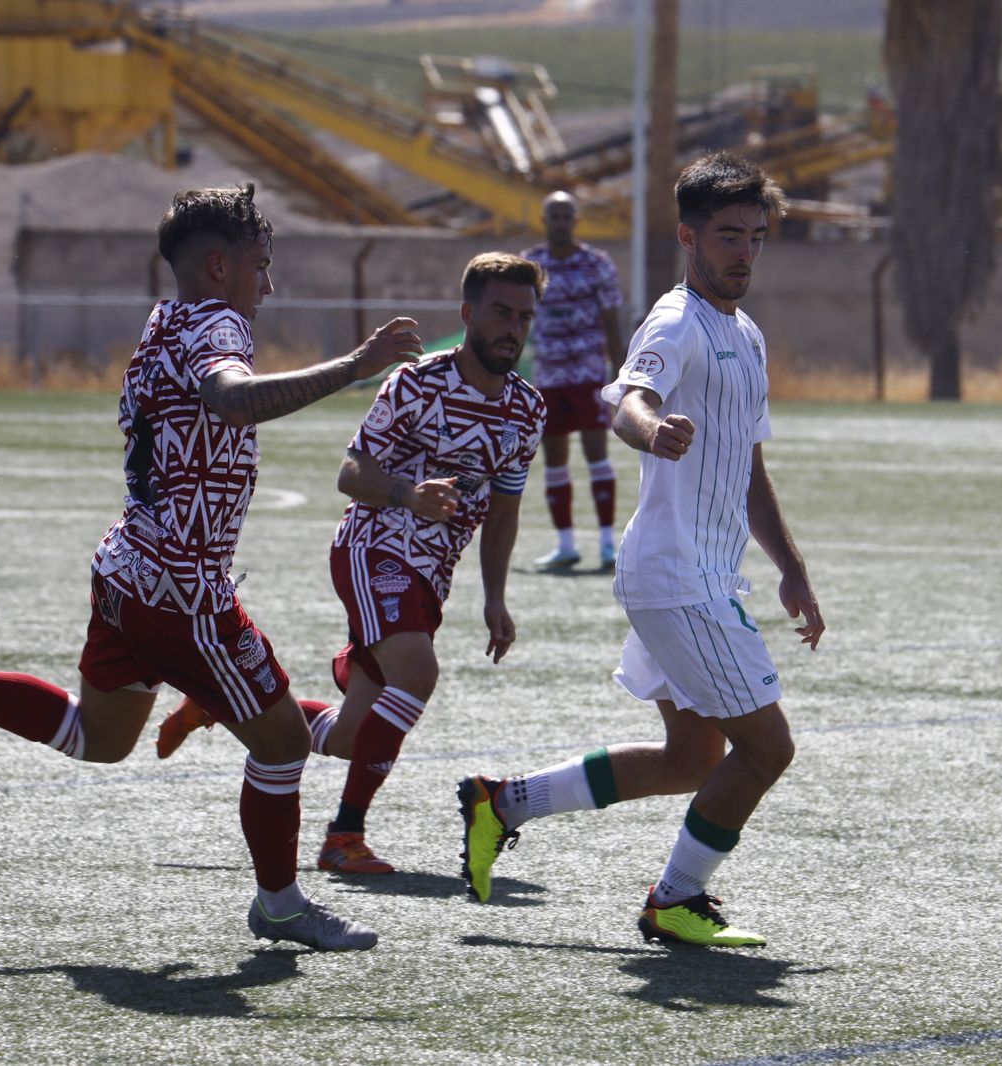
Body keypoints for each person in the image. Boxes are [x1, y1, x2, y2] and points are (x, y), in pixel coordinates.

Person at [0, 184, 422, 951]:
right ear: (219, 266)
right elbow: (230, 397)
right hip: (182, 593)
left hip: (127, 569)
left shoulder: (165, 319)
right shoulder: (218, 322)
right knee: (284, 745)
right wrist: (357, 364)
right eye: (261, 265)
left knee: (99, 738)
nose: (270, 283)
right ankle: (282, 904)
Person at [456, 152, 825, 947]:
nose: (744, 253)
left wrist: (791, 569)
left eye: (756, 237)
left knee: (693, 757)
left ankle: (503, 803)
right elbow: (628, 398)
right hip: (675, 578)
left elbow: (749, 467)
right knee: (767, 747)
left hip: (704, 574)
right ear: (688, 237)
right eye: (729, 235)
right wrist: (652, 433)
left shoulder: (745, 334)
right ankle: (674, 899)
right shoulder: (677, 321)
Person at [155, 252, 547, 878]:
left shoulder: (528, 409)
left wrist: (495, 598)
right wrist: (407, 494)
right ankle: (344, 836)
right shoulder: (415, 383)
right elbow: (351, 473)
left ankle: (220, 703)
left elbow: (503, 511)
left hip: (431, 574)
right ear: (469, 313)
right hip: (375, 547)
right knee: (416, 673)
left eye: (525, 317)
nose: (513, 328)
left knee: (348, 736)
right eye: (501, 312)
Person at [520, 190, 626, 572]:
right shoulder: (531, 264)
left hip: (587, 374)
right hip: (549, 375)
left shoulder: (596, 263)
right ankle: (565, 544)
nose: (561, 223)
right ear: (545, 220)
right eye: (555, 216)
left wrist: (621, 374)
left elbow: (613, 319)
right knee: (554, 460)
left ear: (575, 221)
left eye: (567, 217)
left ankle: (607, 543)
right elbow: (518, 318)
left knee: (597, 455)